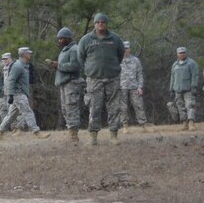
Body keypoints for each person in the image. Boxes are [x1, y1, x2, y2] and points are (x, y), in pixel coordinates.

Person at [77, 12, 124, 145]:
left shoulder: (115, 39)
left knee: (114, 107)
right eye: (98, 22)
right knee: (94, 107)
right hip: (94, 79)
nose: (100, 24)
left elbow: (120, 55)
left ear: (106, 23)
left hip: (112, 78)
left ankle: (114, 135)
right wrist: (90, 70)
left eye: (102, 22)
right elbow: (81, 58)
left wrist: (112, 67)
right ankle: (93, 137)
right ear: (94, 24)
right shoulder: (86, 40)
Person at [0, 47, 49, 139]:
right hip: (18, 94)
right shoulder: (18, 66)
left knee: (10, 116)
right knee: (28, 112)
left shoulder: (24, 65)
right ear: (24, 54)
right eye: (28, 53)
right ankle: (37, 132)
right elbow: (11, 80)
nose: (30, 54)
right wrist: (10, 95)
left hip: (18, 94)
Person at [45, 27, 85, 142]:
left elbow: (75, 66)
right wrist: (55, 66)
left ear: (68, 38)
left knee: (71, 107)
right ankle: (70, 132)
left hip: (71, 83)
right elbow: (63, 66)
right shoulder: (65, 50)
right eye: (58, 39)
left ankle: (74, 134)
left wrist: (58, 65)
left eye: (61, 38)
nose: (59, 41)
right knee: (65, 109)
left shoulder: (74, 49)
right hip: (64, 83)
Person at [119, 41, 149, 129]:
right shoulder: (118, 60)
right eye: (124, 48)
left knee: (139, 105)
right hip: (122, 87)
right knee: (123, 108)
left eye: (127, 48)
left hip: (134, 87)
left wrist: (140, 87)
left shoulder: (136, 60)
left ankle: (143, 125)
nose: (125, 50)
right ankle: (125, 126)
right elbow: (115, 75)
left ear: (130, 49)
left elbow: (139, 74)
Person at [169, 47, 200, 130]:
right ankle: (184, 123)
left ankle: (191, 123)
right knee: (180, 107)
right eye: (180, 53)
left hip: (188, 89)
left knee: (190, 106)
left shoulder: (191, 63)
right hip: (177, 90)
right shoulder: (175, 64)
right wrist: (171, 89)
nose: (182, 54)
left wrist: (194, 86)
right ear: (177, 54)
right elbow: (172, 77)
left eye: (183, 52)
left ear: (186, 53)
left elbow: (195, 76)